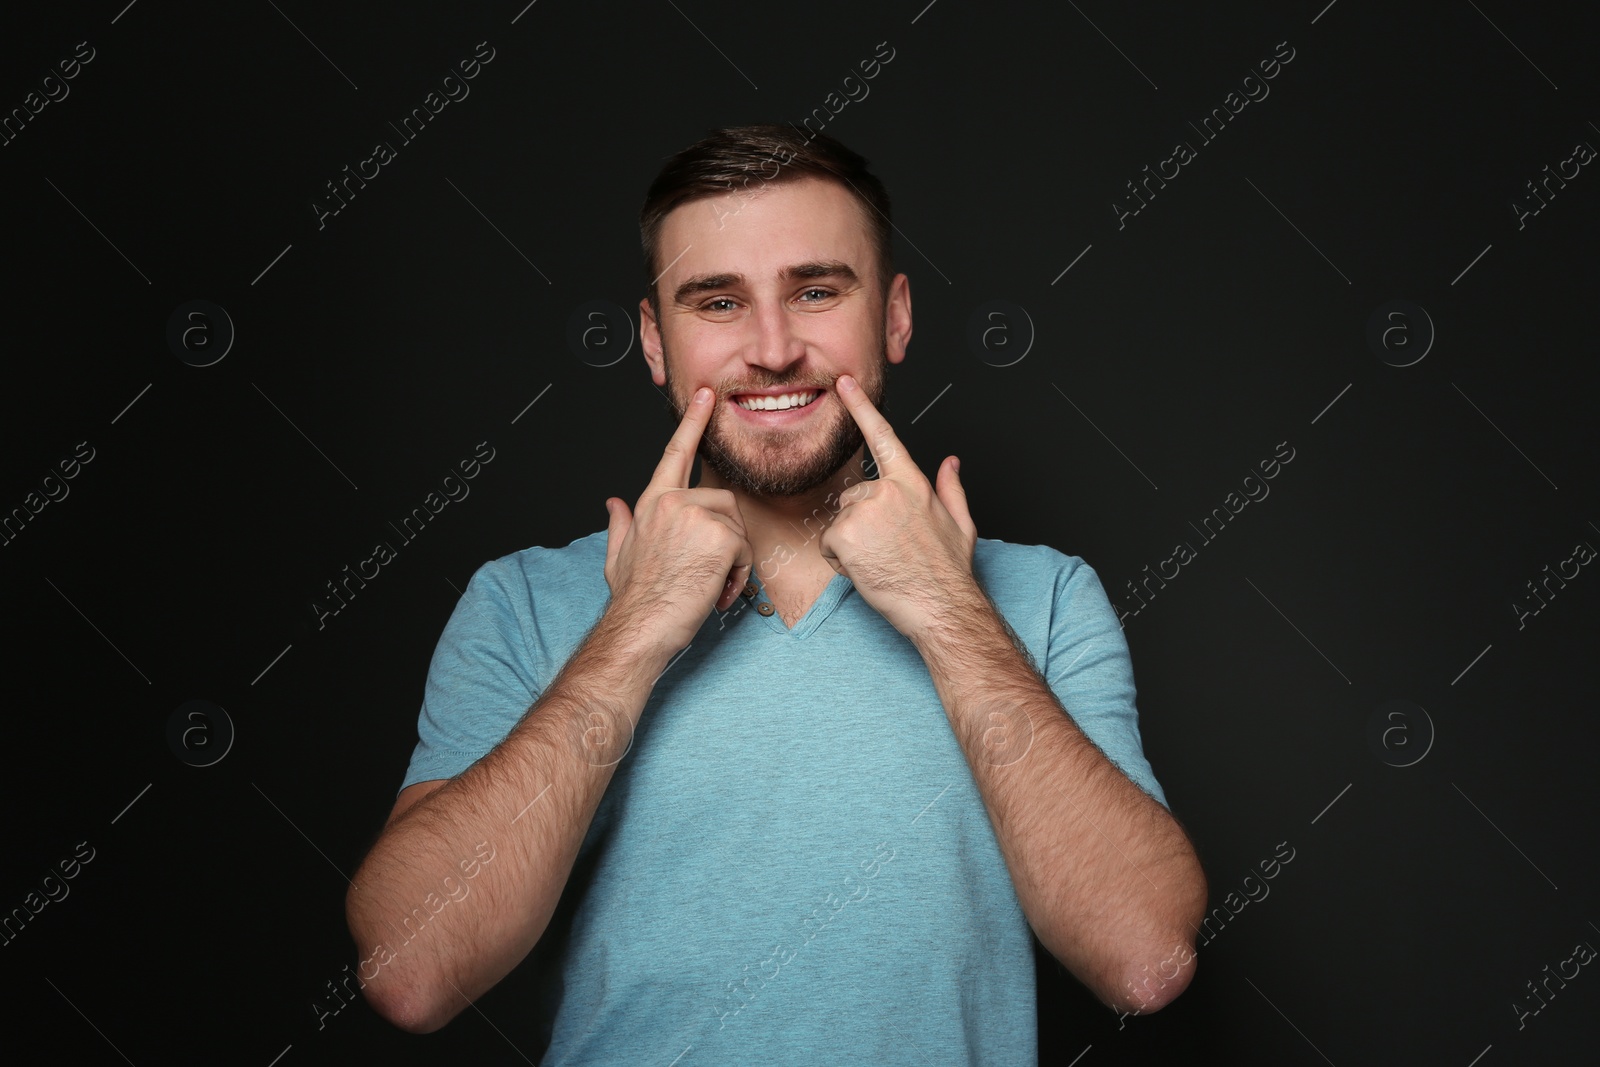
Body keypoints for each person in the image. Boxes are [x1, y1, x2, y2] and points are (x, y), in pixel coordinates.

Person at [345, 124, 1208, 1061]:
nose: (771, 348)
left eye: (816, 290)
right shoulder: (520, 601)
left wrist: (949, 612)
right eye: (717, 301)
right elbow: (411, 970)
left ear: (895, 316)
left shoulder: (1041, 598)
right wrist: (633, 631)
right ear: (653, 342)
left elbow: (1145, 958)